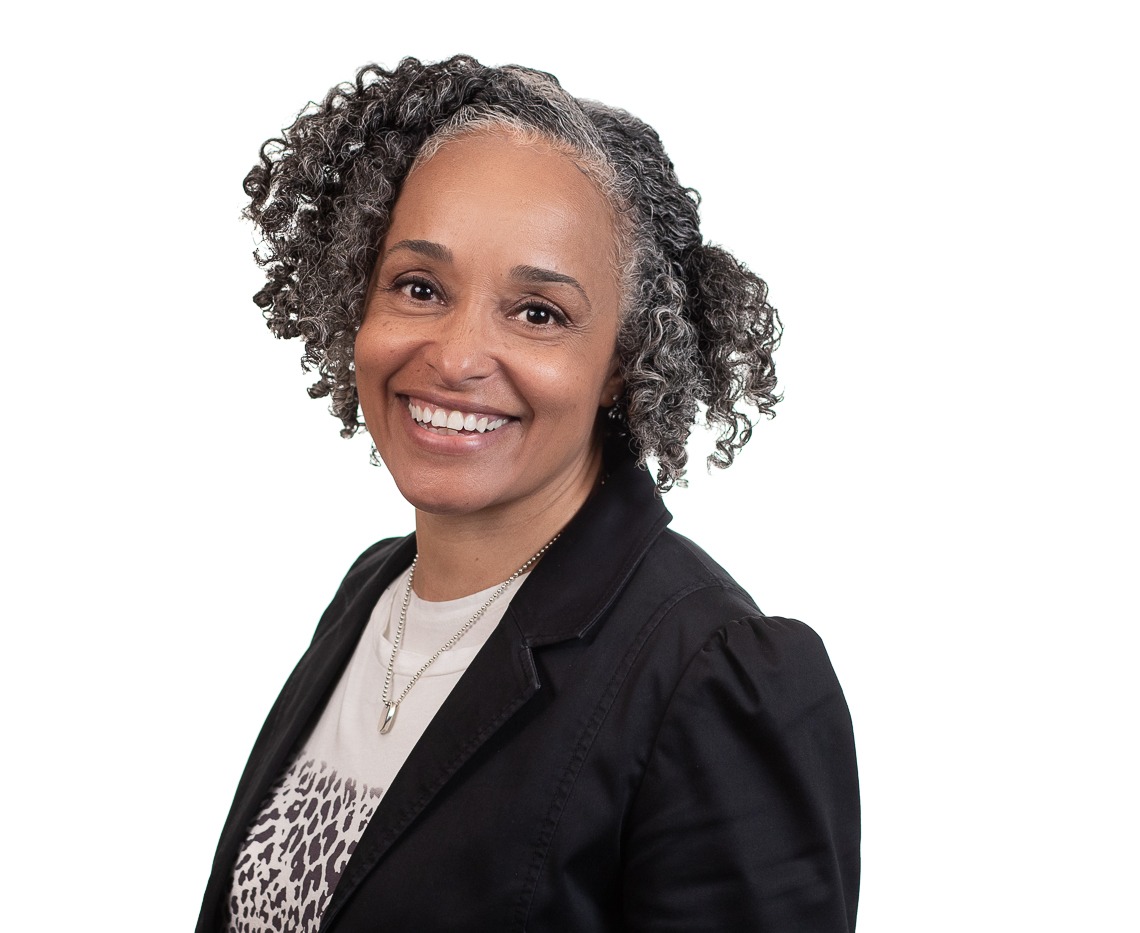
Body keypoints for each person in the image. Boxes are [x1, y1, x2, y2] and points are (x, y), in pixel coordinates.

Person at [196, 56, 859, 933]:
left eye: (538, 312)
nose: (458, 355)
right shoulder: (375, 596)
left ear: (623, 362)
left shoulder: (715, 678)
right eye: (420, 287)